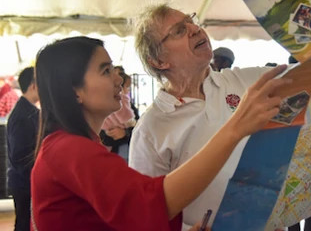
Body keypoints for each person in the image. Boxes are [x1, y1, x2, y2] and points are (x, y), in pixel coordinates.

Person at [130, 0, 311, 229]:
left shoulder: (244, 82)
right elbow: (143, 213)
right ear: (158, 61)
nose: (194, 29)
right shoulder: (151, 129)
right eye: (179, 31)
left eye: (191, 21)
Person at [30, 36, 289, 231]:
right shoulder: (69, 149)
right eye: (106, 71)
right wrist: (235, 128)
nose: (118, 79)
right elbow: (151, 201)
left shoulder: (75, 146)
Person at [6, 67, 39, 231]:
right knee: (24, 223)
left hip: (25, 179)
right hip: (23, 181)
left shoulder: (29, 111)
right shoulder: (22, 115)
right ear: (33, 85)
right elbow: (20, 156)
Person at [100, 67, 139, 160]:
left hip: (125, 148)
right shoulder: (121, 102)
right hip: (115, 150)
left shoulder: (127, 104)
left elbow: (138, 127)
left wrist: (125, 133)